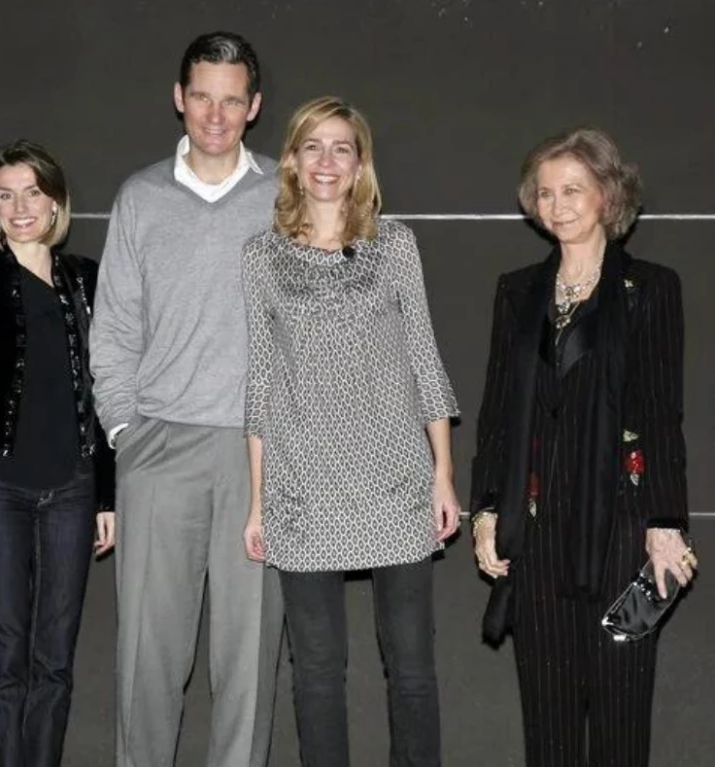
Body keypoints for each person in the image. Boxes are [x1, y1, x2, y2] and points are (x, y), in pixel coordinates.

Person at [242, 96, 460, 767]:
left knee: (413, 668)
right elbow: (260, 382)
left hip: (397, 482)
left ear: (360, 163)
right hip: (302, 491)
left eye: (342, 147)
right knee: (315, 672)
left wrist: (443, 476)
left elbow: (424, 359)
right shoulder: (260, 257)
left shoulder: (395, 244)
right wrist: (257, 502)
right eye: (313, 146)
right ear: (292, 161)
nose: (327, 160)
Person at [469, 126, 697, 767]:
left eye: (573, 190)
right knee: (549, 725)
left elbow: (660, 411)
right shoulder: (517, 291)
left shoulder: (652, 288)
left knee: (622, 718)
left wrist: (665, 523)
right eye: (545, 193)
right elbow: (497, 413)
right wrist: (485, 510)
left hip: (623, 531)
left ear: (608, 196)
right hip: (536, 533)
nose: (557, 205)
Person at [90, 30, 283, 767]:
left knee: (250, 662)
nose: (215, 114)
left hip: (259, 454)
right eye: (202, 96)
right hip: (159, 448)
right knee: (147, 656)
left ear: (253, 106)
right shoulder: (140, 198)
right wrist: (125, 433)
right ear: (179, 98)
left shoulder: (287, 195)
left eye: (231, 100)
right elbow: (114, 329)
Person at [0, 140, 115, 767]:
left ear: (56, 202)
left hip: (73, 487)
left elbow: (105, 391)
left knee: (55, 658)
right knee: (3, 651)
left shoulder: (88, 279)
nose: (19, 208)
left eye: (32, 193)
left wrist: (106, 495)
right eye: (5, 196)